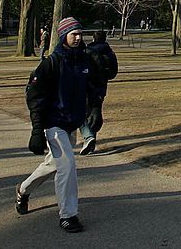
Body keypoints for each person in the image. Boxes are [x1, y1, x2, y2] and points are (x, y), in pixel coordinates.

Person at [17, 17, 102, 233]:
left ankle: (23, 190)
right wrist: (37, 130)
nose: (78, 38)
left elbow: (95, 88)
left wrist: (94, 110)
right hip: (53, 123)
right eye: (74, 34)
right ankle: (68, 215)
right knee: (67, 165)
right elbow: (35, 97)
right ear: (64, 36)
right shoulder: (50, 63)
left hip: (71, 123)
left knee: (53, 165)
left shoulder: (85, 61)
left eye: (80, 33)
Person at [79, 30, 118, 155]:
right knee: (95, 112)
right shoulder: (110, 53)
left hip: (86, 86)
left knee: (82, 112)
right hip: (101, 87)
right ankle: (91, 141)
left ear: (93, 38)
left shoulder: (87, 51)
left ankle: (88, 138)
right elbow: (113, 72)